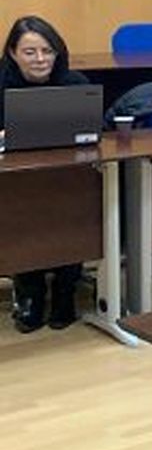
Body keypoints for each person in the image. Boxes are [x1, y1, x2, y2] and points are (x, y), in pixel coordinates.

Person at [2, 16, 92, 331]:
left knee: (78, 205)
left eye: (47, 50)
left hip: (68, 181)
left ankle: (66, 292)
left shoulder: (76, 84)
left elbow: (96, 135)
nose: (40, 59)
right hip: (15, 184)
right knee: (23, 213)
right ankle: (30, 294)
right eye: (30, 52)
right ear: (13, 53)